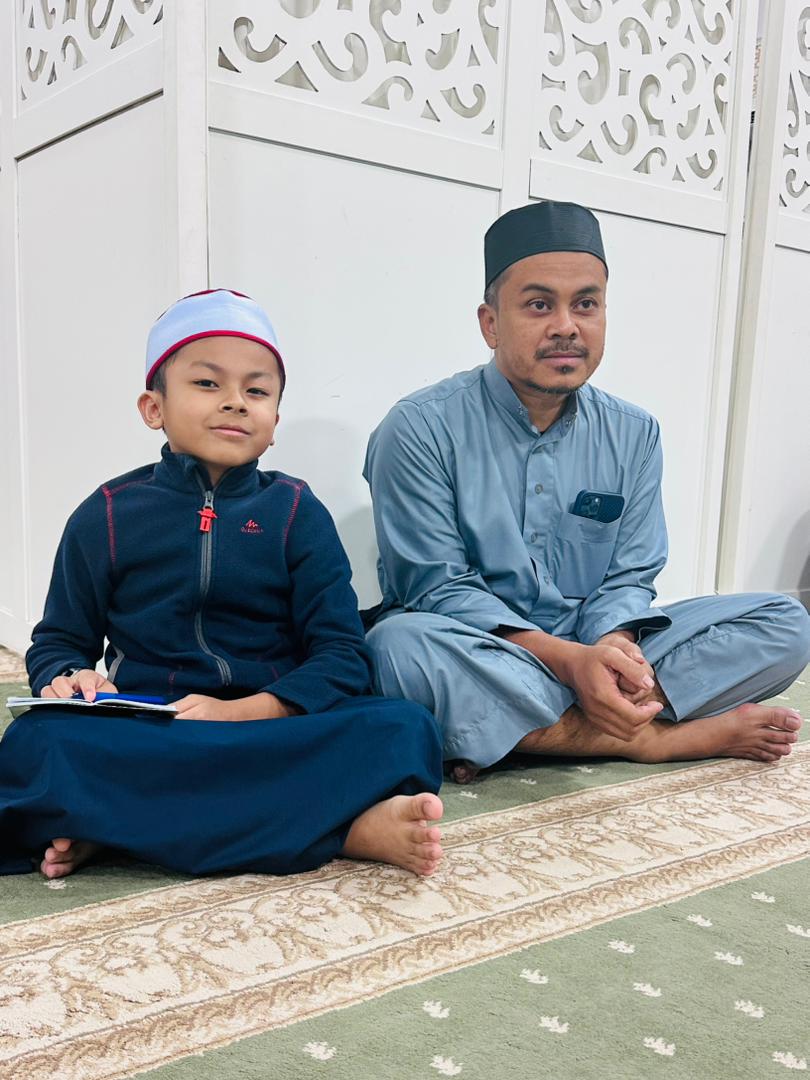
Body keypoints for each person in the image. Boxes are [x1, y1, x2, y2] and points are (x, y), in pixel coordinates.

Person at [363, 201, 810, 784]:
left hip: (589, 643)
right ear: (490, 323)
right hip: (482, 647)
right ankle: (647, 739)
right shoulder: (419, 428)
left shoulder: (634, 432)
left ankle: (522, 730)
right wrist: (570, 663)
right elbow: (436, 588)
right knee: (397, 646)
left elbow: (629, 577)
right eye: (539, 305)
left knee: (786, 621)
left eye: (586, 304)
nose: (566, 326)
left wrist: (610, 649)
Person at [0, 289, 443, 876]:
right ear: (153, 407)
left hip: (271, 728)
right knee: (38, 742)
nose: (235, 402)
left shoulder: (297, 512)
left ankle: (115, 827)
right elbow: (59, 641)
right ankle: (343, 830)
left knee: (406, 728)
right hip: (156, 729)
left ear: (275, 422)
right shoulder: (105, 514)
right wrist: (68, 678)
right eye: (208, 383)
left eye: (256, 391)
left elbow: (341, 655)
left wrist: (246, 713)